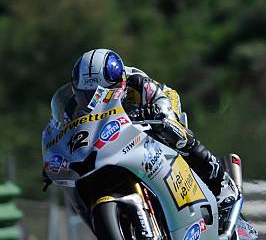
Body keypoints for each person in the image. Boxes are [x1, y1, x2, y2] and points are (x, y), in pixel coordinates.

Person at [49, 48, 237, 208]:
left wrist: (156, 111)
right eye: (86, 95)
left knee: (172, 130)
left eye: (100, 93)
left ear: (120, 82)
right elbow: (65, 133)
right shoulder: (72, 108)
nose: (92, 100)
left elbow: (162, 101)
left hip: (154, 106)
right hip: (109, 136)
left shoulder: (137, 82)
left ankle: (220, 181)